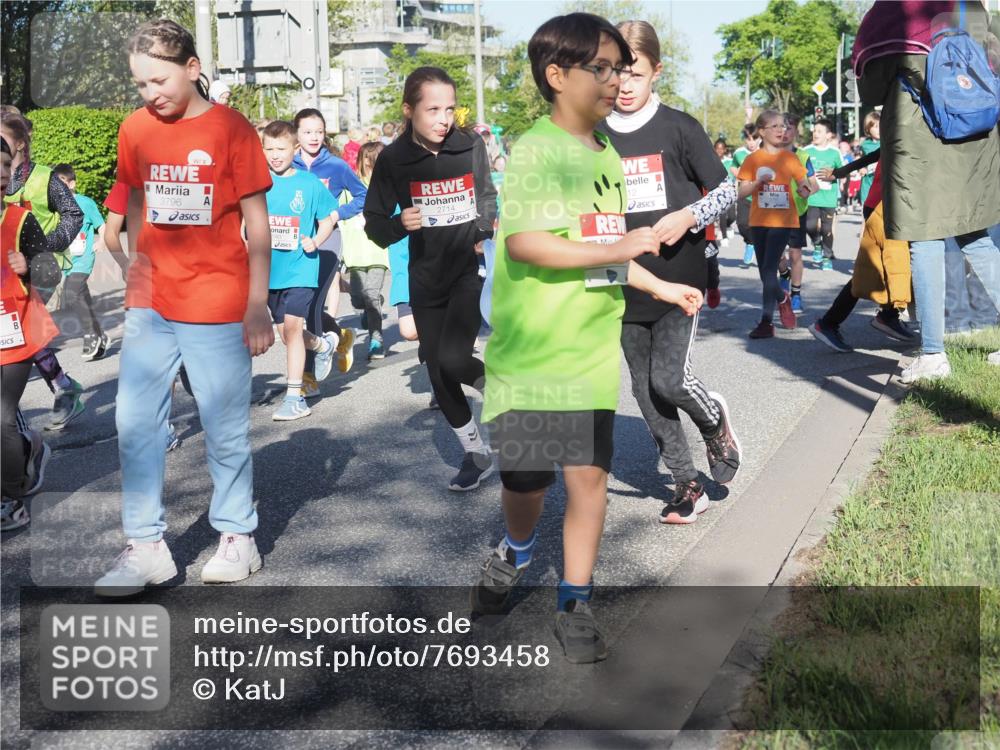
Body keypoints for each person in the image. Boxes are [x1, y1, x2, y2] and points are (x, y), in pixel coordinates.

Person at [471, 13, 702, 663]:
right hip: (533, 354)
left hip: (590, 355)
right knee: (527, 485)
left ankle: (575, 601)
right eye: (601, 68)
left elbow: (604, 252)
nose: (615, 80)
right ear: (557, 75)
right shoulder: (538, 149)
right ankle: (516, 551)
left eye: (621, 68)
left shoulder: (608, 157)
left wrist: (660, 286)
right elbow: (528, 243)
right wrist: (621, 247)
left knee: (589, 480)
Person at [94, 18, 275, 597]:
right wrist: (134, 270)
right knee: (133, 422)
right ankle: (146, 547)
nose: (150, 93)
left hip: (219, 302)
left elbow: (258, 224)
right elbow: (133, 204)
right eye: (140, 84)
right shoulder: (134, 128)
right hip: (151, 303)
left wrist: (258, 304)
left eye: (159, 80)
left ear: (192, 69)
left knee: (223, 427)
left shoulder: (230, 128)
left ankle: (237, 535)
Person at [600, 19, 742, 523]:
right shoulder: (592, 135)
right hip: (620, 280)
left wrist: (689, 216)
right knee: (644, 389)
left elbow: (727, 189)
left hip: (681, 277)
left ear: (656, 71)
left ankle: (713, 421)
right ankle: (687, 484)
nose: (624, 85)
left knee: (671, 380)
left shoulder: (679, 127)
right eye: (614, 73)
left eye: (635, 73)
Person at [363, 67, 498, 491]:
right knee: (439, 373)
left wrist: (483, 229)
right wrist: (398, 223)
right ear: (409, 110)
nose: (444, 119)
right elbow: (373, 222)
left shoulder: (469, 145)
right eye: (433, 110)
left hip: (467, 271)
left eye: (450, 109)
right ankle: (476, 454)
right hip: (425, 278)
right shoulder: (394, 159)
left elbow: (487, 196)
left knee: (455, 360)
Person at [852, 0, 1000, 381]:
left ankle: (934, 354)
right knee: (977, 238)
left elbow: (871, 87)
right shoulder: (971, 6)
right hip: (975, 134)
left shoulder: (894, 10)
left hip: (920, 137)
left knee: (925, 240)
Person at [2, 113, 86, 430]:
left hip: (43, 267)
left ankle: (15, 418)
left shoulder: (43, 178)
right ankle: (61, 386)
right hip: (8, 270)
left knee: (21, 329)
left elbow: (73, 214)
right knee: (19, 332)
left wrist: (43, 245)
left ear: (20, 143)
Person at [262, 120, 339, 420]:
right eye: (269, 149)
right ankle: (322, 345)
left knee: (293, 328)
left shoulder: (309, 183)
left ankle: (294, 397)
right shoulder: (258, 183)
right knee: (286, 334)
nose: (275, 155)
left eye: (281, 149)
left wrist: (315, 241)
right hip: (271, 272)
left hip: (301, 268)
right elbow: (245, 223)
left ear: (295, 149)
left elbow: (328, 219)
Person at [1, 137, 58, 531]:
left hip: (14, 334)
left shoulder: (19, 219)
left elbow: (51, 272)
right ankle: (29, 446)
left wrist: (30, 267)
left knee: (1, 419)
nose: (3, 173)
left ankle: (11, 499)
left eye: (6, 165)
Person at [811, 158, 918, 352]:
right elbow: (878, 153)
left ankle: (889, 315)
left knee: (893, 266)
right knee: (871, 271)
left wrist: (839, 172)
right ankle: (828, 323)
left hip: (893, 205)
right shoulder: (902, 138)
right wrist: (840, 172)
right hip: (884, 206)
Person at [292, 108, 365, 394]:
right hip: (294, 241)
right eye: (307, 132)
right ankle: (339, 335)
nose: (314, 137)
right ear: (296, 134)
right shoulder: (288, 163)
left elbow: (362, 195)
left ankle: (307, 376)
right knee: (293, 308)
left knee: (312, 304)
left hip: (327, 241)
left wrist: (337, 214)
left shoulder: (336, 166)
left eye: (319, 132)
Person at [736, 109, 810, 339]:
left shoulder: (790, 158)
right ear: (762, 131)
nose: (781, 130)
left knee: (769, 270)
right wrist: (757, 182)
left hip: (783, 220)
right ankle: (782, 298)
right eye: (775, 126)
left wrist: (804, 189)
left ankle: (766, 322)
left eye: (783, 126)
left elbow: (805, 184)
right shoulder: (752, 159)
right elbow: (741, 192)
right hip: (758, 221)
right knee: (764, 273)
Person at [51, 164, 111, 360]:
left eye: (62, 183)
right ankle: (101, 335)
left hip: (84, 258)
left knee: (72, 292)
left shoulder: (85, 203)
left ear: (72, 184)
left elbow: (101, 225)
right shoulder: (55, 208)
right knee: (82, 299)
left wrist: (101, 242)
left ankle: (90, 334)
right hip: (67, 260)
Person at [341, 141, 391, 361]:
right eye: (368, 164)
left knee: (370, 295)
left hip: (379, 251)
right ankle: (371, 307)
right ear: (361, 163)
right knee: (358, 300)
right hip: (355, 253)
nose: (371, 169)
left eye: (375, 164)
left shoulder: (387, 189)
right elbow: (339, 215)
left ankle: (376, 341)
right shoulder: (349, 189)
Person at [778, 113, 819, 315]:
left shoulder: (802, 156)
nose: (784, 132)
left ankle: (796, 294)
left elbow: (815, 185)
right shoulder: (768, 153)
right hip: (773, 212)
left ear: (796, 131)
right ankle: (784, 274)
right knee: (777, 255)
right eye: (781, 127)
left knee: (795, 254)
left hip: (796, 211)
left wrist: (807, 191)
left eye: (789, 128)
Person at [804, 118, 843, 272]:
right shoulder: (806, 151)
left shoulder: (835, 153)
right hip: (812, 196)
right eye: (814, 131)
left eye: (819, 131)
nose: (815, 134)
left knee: (827, 230)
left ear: (828, 135)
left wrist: (833, 175)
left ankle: (826, 257)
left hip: (828, 199)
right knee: (809, 226)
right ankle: (817, 243)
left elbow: (842, 171)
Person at [730, 124, 760, 267]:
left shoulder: (765, 152)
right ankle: (750, 242)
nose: (752, 142)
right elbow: (733, 166)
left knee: (761, 226)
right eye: (748, 139)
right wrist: (739, 174)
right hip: (744, 194)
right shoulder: (739, 153)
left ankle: (763, 251)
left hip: (761, 197)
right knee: (742, 224)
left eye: (755, 139)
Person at [858, 111, 880, 208]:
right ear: (868, 128)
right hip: (868, 183)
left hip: (883, 184)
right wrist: (861, 168)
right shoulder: (865, 145)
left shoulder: (887, 142)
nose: (879, 129)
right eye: (876, 127)